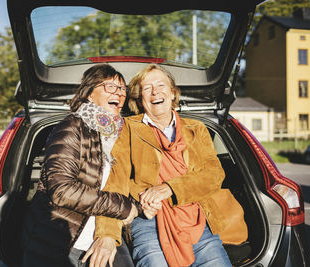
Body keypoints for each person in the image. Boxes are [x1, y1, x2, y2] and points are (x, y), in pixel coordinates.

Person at [93, 64, 248, 267]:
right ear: (140, 99)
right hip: (149, 221)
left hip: (199, 219)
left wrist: (169, 188)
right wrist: (107, 234)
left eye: (160, 85)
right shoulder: (128, 129)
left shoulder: (197, 128)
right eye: (147, 88)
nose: (155, 92)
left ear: (173, 93)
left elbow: (214, 174)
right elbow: (116, 181)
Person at [22, 64, 138, 267]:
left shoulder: (122, 135)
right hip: (61, 239)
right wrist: (123, 207)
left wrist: (134, 206)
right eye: (110, 87)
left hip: (106, 233)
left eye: (122, 89)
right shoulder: (71, 127)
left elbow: (131, 184)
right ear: (89, 94)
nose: (118, 94)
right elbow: (62, 190)